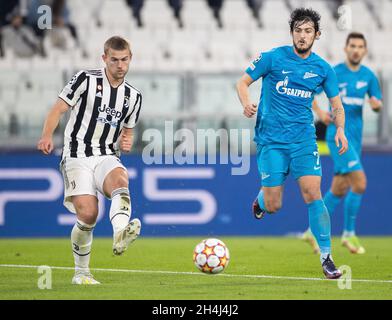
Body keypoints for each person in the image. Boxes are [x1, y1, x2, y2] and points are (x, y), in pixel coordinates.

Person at [236, 8, 348, 279]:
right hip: (271, 140)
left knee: (313, 193)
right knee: (274, 205)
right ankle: (261, 201)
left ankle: (326, 257)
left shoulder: (323, 69)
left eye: (308, 31)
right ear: (292, 33)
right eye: (298, 30)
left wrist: (340, 129)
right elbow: (242, 82)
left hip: (303, 140)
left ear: (317, 35)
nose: (302, 35)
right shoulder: (273, 58)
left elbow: (336, 104)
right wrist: (246, 103)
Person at [37, 36, 142, 285]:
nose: (119, 65)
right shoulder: (85, 79)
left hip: (106, 154)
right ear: (104, 58)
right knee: (89, 214)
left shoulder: (133, 96)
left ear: (130, 59)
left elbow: (128, 129)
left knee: (120, 180)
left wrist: (127, 140)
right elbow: (58, 108)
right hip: (77, 154)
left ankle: (119, 234)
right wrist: (46, 136)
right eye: (114, 59)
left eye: (124, 59)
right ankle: (81, 274)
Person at [303, 32, 383, 255]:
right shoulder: (335, 72)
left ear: (365, 51)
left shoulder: (369, 77)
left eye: (360, 46)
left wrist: (376, 105)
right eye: (353, 46)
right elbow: (310, 93)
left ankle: (311, 231)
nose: (356, 50)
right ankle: (349, 234)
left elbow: (378, 105)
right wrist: (320, 112)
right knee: (360, 183)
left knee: (339, 189)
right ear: (346, 48)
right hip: (338, 137)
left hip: (355, 140)